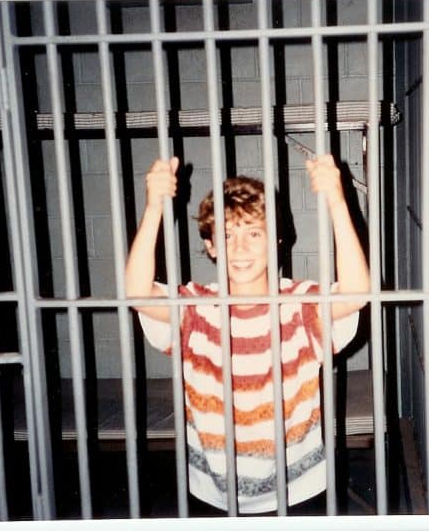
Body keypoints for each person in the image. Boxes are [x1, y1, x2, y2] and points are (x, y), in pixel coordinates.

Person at [125, 154, 370, 515]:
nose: (239, 249)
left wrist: (336, 199)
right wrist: (152, 210)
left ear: (276, 242)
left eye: (254, 233)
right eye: (226, 234)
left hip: (299, 491)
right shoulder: (195, 307)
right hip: (213, 494)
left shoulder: (300, 303)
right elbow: (137, 294)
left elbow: (356, 292)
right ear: (210, 246)